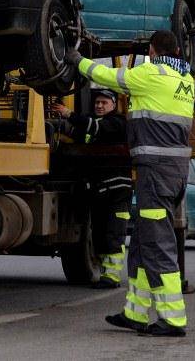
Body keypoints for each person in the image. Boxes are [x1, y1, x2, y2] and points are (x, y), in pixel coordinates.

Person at [66, 30, 195, 337]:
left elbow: (108, 76)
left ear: (152, 51)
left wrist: (77, 59)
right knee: (140, 243)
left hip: (156, 172)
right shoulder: (184, 80)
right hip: (174, 171)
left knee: (158, 245)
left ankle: (172, 318)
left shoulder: (151, 74)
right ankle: (135, 312)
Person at [52, 90, 132, 289]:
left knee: (113, 234)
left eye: (104, 102)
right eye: (97, 102)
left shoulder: (117, 123)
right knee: (99, 233)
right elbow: (79, 134)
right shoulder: (93, 125)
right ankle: (106, 274)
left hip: (117, 192)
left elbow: (94, 127)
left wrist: (69, 114)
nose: (99, 106)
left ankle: (112, 277)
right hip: (99, 191)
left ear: (113, 105)